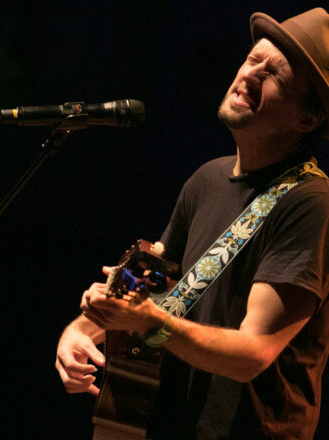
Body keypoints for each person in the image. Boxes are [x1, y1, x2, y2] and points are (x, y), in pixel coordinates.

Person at [56, 8, 329, 439]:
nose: (251, 75)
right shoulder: (207, 178)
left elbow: (254, 354)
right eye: (252, 59)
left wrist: (149, 323)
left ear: (307, 119)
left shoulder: (309, 202)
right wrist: (83, 329)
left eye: (274, 74)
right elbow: (156, 288)